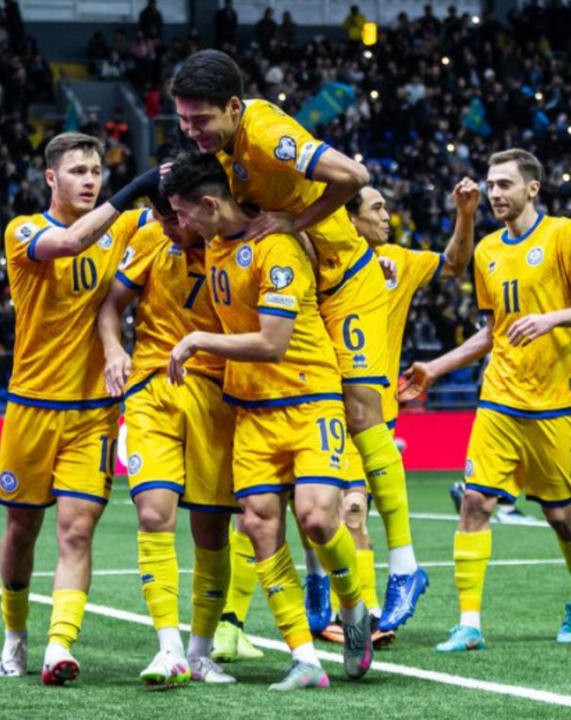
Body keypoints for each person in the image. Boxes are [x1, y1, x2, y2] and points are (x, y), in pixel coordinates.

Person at [171, 49, 429, 635]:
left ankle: (406, 565)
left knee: (362, 413)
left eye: (200, 119)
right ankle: (321, 583)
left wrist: (298, 221)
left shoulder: (266, 133)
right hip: (312, 283)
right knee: (301, 457)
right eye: (183, 119)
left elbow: (354, 176)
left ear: (233, 107)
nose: (191, 130)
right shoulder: (223, 148)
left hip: (347, 280)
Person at [163, 153, 373, 691]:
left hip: (309, 399)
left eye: (183, 213)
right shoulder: (213, 242)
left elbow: (272, 343)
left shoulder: (276, 248)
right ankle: (304, 658)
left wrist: (198, 340)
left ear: (210, 205)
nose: (179, 225)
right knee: (258, 527)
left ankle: (354, 609)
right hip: (252, 409)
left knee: (318, 519)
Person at [400, 149, 571, 652]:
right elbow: (492, 332)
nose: (495, 193)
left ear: (532, 189)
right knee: (475, 501)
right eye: (491, 185)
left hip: (559, 401)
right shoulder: (487, 251)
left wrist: (552, 319)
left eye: (504, 185)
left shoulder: (563, 234)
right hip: (500, 397)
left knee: (560, 516)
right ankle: (468, 623)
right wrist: (436, 367)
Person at [0, 132, 154, 685]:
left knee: (77, 531)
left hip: (93, 412)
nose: (90, 180)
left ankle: (59, 646)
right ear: (51, 178)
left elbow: (179, 220)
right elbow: (70, 243)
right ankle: (15, 635)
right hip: (31, 406)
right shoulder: (24, 230)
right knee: (22, 529)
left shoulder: (125, 226)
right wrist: (135, 189)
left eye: (96, 171)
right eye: (78, 171)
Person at [314, 181, 479, 647]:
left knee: (351, 509)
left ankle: (365, 611)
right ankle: (361, 608)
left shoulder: (399, 262)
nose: (387, 216)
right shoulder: (319, 263)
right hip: (322, 407)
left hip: (373, 412)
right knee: (339, 513)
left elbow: (454, 264)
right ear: (348, 219)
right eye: (377, 208)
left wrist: (465, 214)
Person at [97, 193, 238, 687]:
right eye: (161, 216)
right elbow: (111, 306)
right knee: (154, 514)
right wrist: (114, 350)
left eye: (175, 217)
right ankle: (169, 648)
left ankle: (200, 653)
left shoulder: (237, 245)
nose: (168, 225)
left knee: (212, 531)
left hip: (218, 398)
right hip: (151, 391)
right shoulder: (151, 239)